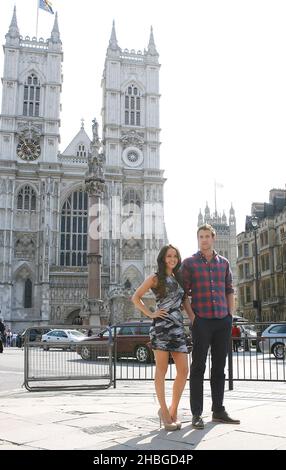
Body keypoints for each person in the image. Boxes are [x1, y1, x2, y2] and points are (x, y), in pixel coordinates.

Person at [180, 224, 240, 429]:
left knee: (219, 367)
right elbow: (183, 294)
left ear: (213, 238)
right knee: (198, 367)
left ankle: (218, 410)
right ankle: (197, 414)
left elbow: (230, 289)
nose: (204, 239)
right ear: (198, 239)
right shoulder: (189, 263)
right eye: (200, 236)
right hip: (201, 320)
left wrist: (230, 316)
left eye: (207, 236)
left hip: (222, 320)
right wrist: (192, 317)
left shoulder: (224, 263)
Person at [132, 244, 194, 431]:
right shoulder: (155, 278)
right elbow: (136, 298)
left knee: (184, 370)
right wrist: (151, 314)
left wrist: (193, 319)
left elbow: (186, 303)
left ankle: (173, 410)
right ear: (163, 258)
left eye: (175, 256)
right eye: (169, 256)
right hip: (161, 327)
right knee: (162, 370)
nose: (172, 259)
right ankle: (164, 412)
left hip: (177, 327)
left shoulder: (179, 278)